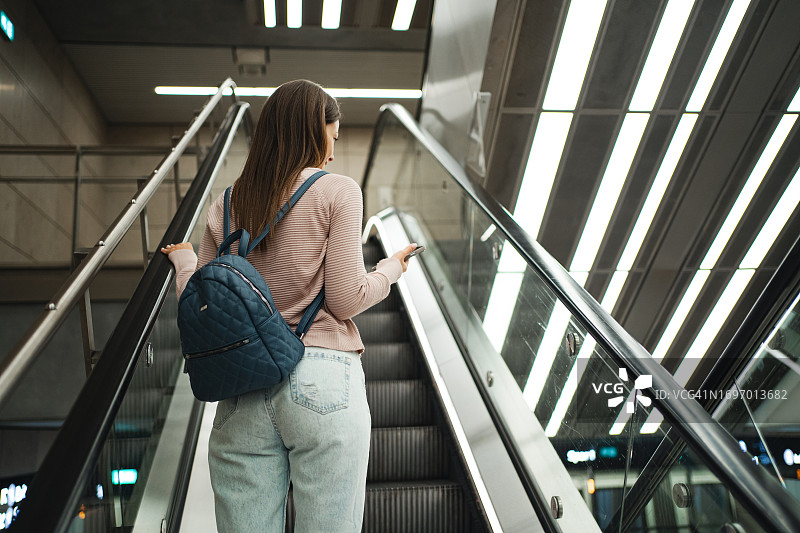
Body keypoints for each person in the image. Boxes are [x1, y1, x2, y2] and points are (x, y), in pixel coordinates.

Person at [161, 79, 415, 532]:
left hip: (243, 388)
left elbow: (199, 307)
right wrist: (391, 271)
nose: (333, 154)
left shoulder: (228, 203)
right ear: (311, 131)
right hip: (323, 377)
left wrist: (183, 262)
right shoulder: (338, 191)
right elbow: (346, 297)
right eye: (331, 137)